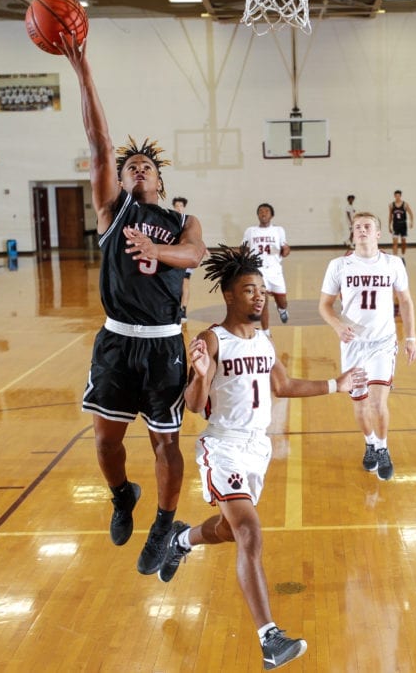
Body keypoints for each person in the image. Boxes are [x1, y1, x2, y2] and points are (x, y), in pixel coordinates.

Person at [157, 245, 366, 671]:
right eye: (249, 290)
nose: (259, 296)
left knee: (233, 531)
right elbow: (195, 405)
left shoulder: (265, 340)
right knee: (250, 531)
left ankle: (180, 540)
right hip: (222, 446)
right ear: (230, 296)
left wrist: (336, 384)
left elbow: (284, 386)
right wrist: (199, 375)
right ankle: (269, 638)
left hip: (258, 449)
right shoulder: (212, 339)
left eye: (263, 290)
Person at [60, 32, 207, 575]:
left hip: (164, 343)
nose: (139, 168)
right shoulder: (111, 212)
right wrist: (84, 74)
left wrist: (157, 250)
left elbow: (195, 255)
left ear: (162, 180)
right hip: (117, 340)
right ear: (119, 180)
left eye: (148, 166)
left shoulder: (180, 222)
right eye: (131, 166)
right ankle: (122, 494)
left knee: (166, 445)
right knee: (105, 442)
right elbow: (99, 141)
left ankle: (164, 524)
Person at [319, 212, 416, 480]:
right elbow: (325, 306)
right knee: (360, 404)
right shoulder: (339, 265)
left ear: (378, 234)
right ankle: (370, 443)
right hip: (353, 345)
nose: (361, 230)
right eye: (357, 227)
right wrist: (338, 326)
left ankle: (383, 448)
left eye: (367, 227)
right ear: (353, 233)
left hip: (383, 342)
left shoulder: (393, 263)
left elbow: (406, 301)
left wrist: (411, 338)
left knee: (377, 402)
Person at [242, 203, 290, 335]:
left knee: (283, 302)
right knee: (262, 302)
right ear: (257, 215)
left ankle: (282, 309)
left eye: (266, 211)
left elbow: (285, 249)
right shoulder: (250, 231)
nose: (263, 213)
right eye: (261, 211)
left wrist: (286, 250)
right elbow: (244, 249)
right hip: (258, 271)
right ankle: (266, 332)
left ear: (272, 215)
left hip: (275, 271)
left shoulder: (278, 230)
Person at [172, 197, 194, 323]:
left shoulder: (188, 221)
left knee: (185, 282)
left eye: (181, 205)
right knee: (175, 284)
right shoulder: (169, 220)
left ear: (184, 207)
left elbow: (194, 237)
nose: (179, 208)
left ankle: (183, 310)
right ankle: (175, 307)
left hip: (185, 255)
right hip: (174, 256)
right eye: (176, 206)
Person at [387, 190, 414, 258]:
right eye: (396, 196)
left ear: (400, 196)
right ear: (394, 196)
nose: (397, 197)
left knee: (403, 242)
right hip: (395, 225)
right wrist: (389, 226)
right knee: (395, 243)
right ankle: (395, 257)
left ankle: (403, 255)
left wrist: (411, 222)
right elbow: (390, 216)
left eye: (399, 196)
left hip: (403, 225)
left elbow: (411, 214)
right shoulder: (391, 205)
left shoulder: (405, 204)